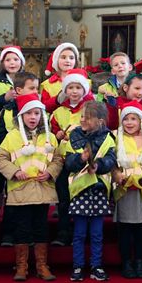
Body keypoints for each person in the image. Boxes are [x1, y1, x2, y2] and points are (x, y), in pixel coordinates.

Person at [0, 93, 63, 282]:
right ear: (21, 116)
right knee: (22, 228)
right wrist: (15, 171)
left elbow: (57, 158)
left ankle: (42, 265)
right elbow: (0, 159)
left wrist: (50, 172)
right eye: (28, 114)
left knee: (41, 228)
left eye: (36, 113)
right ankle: (22, 265)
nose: (33, 117)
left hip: (42, 189)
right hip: (21, 191)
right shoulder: (12, 136)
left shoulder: (49, 137)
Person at [64, 101, 116, 282]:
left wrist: (99, 165)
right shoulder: (74, 136)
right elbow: (68, 163)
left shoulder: (108, 138)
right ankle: (78, 266)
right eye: (82, 116)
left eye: (87, 117)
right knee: (78, 233)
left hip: (99, 190)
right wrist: (80, 158)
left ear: (100, 121)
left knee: (96, 234)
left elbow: (111, 160)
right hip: (80, 191)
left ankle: (96, 266)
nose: (82, 119)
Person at [0, 72, 39, 251]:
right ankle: (8, 234)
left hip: (34, 164)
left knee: (33, 206)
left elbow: (43, 132)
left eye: (37, 88)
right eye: (32, 88)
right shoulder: (8, 110)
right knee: (12, 201)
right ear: (18, 90)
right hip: (14, 161)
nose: (36, 91)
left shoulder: (38, 109)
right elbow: (2, 133)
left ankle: (31, 235)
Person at [112, 101, 142, 279]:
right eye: (126, 119)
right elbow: (112, 163)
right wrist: (117, 176)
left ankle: (140, 262)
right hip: (125, 189)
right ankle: (126, 262)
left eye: (133, 118)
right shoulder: (116, 138)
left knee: (141, 229)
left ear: (141, 120)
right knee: (125, 228)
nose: (129, 123)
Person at [50, 69, 95, 247]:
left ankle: (83, 234)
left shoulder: (90, 110)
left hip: (83, 159)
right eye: (70, 87)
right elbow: (51, 133)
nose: (74, 91)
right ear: (65, 91)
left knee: (83, 197)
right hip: (63, 159)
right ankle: (63, 232)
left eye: (78, 87)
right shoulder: (59, 112)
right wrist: (58, 134)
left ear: (84, 90)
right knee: (64, 198)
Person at [41, 42, 91, 113]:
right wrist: (57, 100)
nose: (67, 61)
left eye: (71, 58)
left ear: (75, 61)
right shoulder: (47, 85)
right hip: (57, 122)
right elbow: (43, 108)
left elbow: (92, 105)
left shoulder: (86, 82)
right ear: (56, 60)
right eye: (63, 57)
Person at [0, 45, 25, 113]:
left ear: (21, 62)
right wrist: (5, 98)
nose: (12, 63)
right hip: (1, 121)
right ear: (3, 63)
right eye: (8, 60)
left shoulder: (28, 80)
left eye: (16, 59)